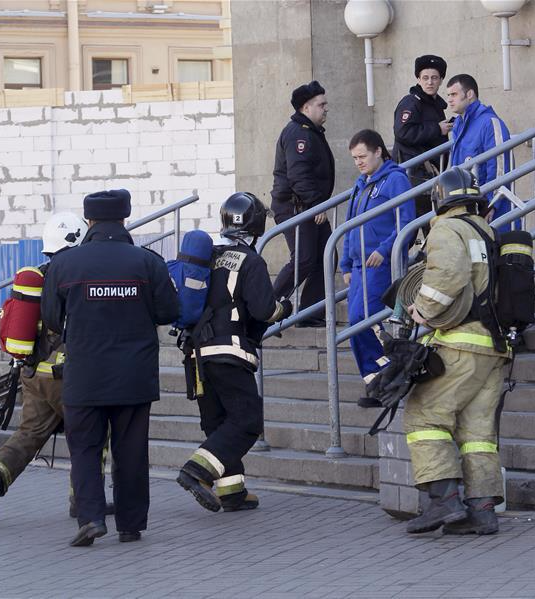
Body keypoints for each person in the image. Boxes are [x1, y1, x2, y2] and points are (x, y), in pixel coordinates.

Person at [41, 189, 179, 547]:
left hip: (84, 375)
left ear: (89, 222)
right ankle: (130, 525)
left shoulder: (64, 265)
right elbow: (169, 311)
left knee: (84, 449)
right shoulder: (147, 262)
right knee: (131, 450)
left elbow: (52, 320)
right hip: (134, 376)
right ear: (124, 218)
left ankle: (90, 519)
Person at [403, 167, 510, 536]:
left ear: (439, 199)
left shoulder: (446, 229)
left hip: (460, 344)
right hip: (494, 348)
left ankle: (444, 501)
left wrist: (422, 310)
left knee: (424, 416)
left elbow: (448, 275)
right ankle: (482, 512)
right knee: (477, 431)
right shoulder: (487, 230)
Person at [176, 192, 292, 513]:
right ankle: (196, 471)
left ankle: (233, 491)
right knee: (246, 421)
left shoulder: (208, 256)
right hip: (229, 351)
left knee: (218, 422)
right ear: (255, 224)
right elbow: (263, 308)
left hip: (197, 353)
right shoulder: (251, 261)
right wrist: (284, 308)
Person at [0, 212, 89, 524]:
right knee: (90, 435)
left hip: (33, 374)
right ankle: (84, 500)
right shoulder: (73, 279)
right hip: (66, 377)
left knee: (29, 434)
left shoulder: (37, 275)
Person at [339, 130, 414, 406]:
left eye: (362, 156)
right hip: (358, 267)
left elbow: (405, 221)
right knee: (355, 323)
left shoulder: (395, 180)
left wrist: (384, 250)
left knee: (362, 320)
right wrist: (345, 263)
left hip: (379, 264)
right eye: (355, 158)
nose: (358, 162)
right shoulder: (361, 184)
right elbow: (349, 228)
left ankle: (387, 374)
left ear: (379, 151)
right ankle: (376, 382)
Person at [271, 80, 335, 326]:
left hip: (308, 206)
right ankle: (265, 307)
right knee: (305, 259)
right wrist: (316, 204)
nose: (325, 108)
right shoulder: (299, 133)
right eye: (321, 105)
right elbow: (298, 175)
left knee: (326, 257)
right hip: (297, 207)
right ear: (306, 108)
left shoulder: (309, 131)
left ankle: (309, 312)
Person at [446, 74, 516, 232]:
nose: (449, 100)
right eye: (448, 95)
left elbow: (500, 166)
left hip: (492, 210)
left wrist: (492, 204)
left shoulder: (489, 122)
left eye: (454, 94)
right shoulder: (458, 124)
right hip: (468, 207)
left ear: (469, 94)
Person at [392, 55, 450, 230]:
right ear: (418, 79)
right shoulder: (411, 102)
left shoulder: (434, 104)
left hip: (427, 176)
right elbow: (403, 132)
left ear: (441, 80)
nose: (430, 82)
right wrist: (437, 129)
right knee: (412, 228)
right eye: (425, 78)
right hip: (414, 175)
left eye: (434, 78)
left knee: (429, 227)